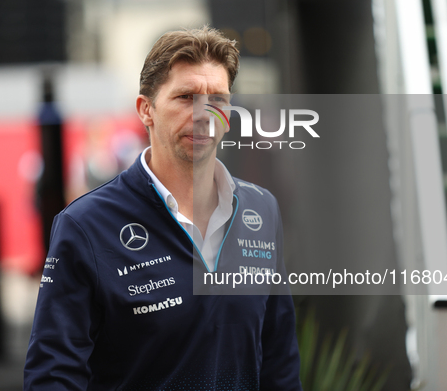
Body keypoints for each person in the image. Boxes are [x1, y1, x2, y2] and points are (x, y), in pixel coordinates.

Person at [24, 26, 302, 390]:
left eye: (217, 98)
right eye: (186, 97)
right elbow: (53, 376)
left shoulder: (261, 211)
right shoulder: (85, 226)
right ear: (146, 111)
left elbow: (279, 363)